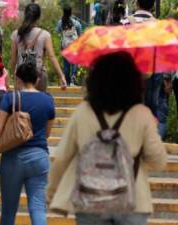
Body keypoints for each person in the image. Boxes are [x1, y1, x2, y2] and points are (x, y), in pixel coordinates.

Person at [47, 52, 167, 225]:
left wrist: (52, 193)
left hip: (90, 201)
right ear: (134, 81)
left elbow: (62, 158)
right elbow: (159, 161)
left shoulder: (83, 112)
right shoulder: (141, 115)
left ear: (96, 80)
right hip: (133, 202)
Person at [0, 62, 55, 225]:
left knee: (9, 211)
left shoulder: (10, 98)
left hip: (12, 158)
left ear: (17, 79)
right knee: (38, 207)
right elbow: (47, 134)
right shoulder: (48, 100)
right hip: (39, 157)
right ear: (37, 80)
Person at [10, 3, 66, 92]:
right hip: (39, 75)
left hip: (21, 76)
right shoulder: (45, 34)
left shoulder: (16, 34)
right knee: (39, 103)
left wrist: (14, 76)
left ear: (25, 15)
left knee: (21, 104)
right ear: (38, 17)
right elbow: (52, 57)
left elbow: (13, 60)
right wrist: (61, 75)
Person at [56, 6, 82, 86]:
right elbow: (80, 34)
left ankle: (67, 82)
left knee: (66, 65)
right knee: (74, 61)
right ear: (71, 12)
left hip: (65, 46)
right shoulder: (77, 23)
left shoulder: (60, 23)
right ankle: (73, 77)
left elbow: (57, 31)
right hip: (74, 46)